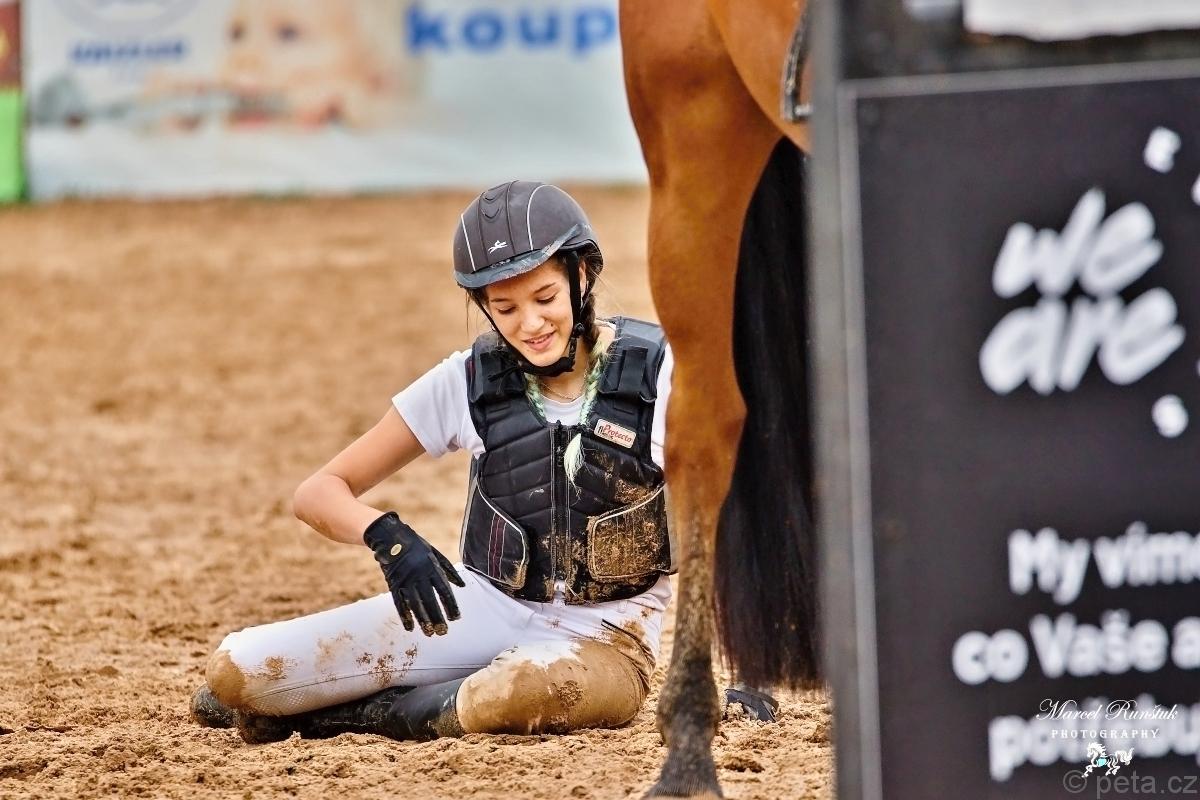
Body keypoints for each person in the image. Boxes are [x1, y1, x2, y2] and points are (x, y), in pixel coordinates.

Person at [190, 181, 678, 742]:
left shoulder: (663, 374)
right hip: (485, 607)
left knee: (518, 692)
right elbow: (318, 491)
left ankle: (351, 716)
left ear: (582, 276)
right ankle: (425, 696)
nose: (530, 325)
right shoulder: (466, 381)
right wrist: (387, 538)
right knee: (236, 673)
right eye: (505, 308)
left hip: (609, 637)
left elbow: (741, 515)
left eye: (545, 298)